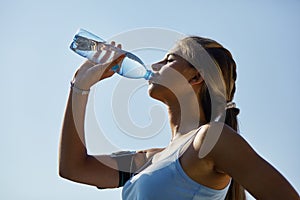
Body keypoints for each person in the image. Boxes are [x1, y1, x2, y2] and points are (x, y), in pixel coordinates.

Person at [59, 37, 299, 200]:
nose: (154, 64)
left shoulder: (210, 140)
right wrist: (80, 85)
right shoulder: (147, 160)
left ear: (195, 77)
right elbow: (73, 168)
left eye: (169, 60)